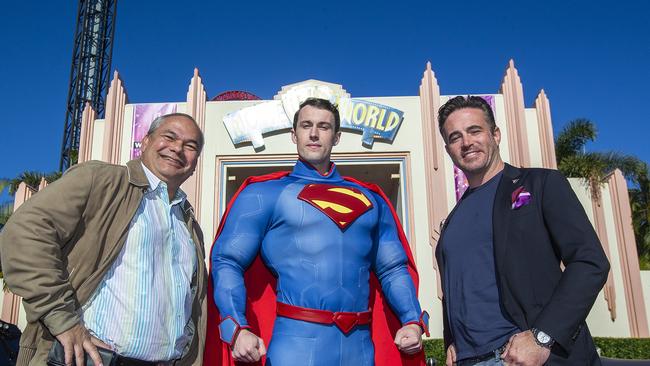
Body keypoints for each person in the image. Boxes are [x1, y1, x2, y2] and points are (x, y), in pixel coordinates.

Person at [207, 98, 428, 366]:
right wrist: (237, 326)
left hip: (359, 347)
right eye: (306, 125)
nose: (314, 133)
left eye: (323, 126)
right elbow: (227, 260)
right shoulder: (263, 194)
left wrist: (412, 320)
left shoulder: (372, 200)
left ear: (336, 137)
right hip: (295, 345)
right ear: (294, 134)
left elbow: (393, 268)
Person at [0, 113, 208, 366]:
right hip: (87, 359)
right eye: (169, 137)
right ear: (145, 142)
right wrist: (62, 319)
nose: (177, 148)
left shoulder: (189, 225)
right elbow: (26, 230)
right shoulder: (101, 180)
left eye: (190, 146)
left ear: (195, 163)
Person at [435, 96, 610, 366]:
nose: (466, 142)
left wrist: (543, 336)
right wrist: (451, 340)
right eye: (455, 137)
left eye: (474, 131)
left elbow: (589, 261)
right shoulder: (452, 222)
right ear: (448, 150)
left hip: (525, 357)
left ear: (496, 134)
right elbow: (453, 292)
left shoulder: (542, 184)